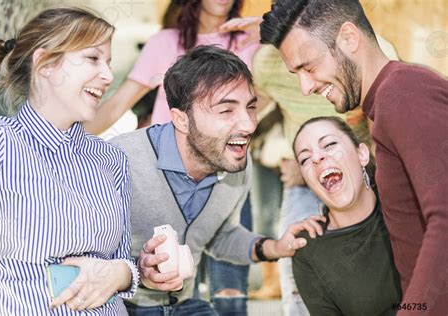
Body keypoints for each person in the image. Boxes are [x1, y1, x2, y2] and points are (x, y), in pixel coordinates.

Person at [260, 0, 448, 314]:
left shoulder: (404, 92)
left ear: (349, 37)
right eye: (297, 74)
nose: (305, 87)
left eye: (308, 67)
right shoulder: (387, 104)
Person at [109, 45, 310, 316]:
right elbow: (79, 257)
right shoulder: (119, 160)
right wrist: (136, 268)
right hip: (121, 306)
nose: (249, 125)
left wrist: (273, 247)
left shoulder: (236, 162)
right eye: (226, 111)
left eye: (250, 108)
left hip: (184, 306)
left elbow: (219, 235)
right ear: (181, 120)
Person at [220, 11, 399, 315]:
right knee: (297, 265)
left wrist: (351, 162)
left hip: (363, 170)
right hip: (303, 177)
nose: (305, 85)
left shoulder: (367, 50)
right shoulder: (265, 63)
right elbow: (254, 108)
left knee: (382, 259)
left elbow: (385, 133)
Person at [0, 7, 139, 315]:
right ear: (45, 63)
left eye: (108, 62)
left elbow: (123, 258)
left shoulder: (111, 159)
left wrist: (121, 274)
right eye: (93, 58)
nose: (107, 74)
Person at [84, 0, 260, 134]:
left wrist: (267, 30)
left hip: (226, 165)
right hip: (166, 164)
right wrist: (65, 141)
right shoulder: (164, 42)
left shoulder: (250, 43)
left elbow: (264, 103)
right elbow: (117, 105)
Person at [291, 116, 401, 315]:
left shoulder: (405, 207)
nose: (317, 158)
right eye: (305, 159)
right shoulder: (308, 250)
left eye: (329, 144)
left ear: (362, 154)